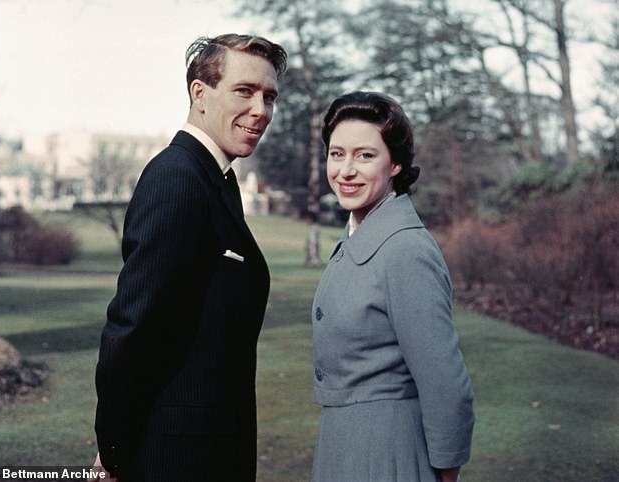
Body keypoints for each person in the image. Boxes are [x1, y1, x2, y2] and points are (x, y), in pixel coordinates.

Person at [91, 34, 287, 482]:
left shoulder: (214, 179)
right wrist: (114, 449)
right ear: (200, 93)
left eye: (269, 96)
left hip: (208, 448)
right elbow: (133, 327)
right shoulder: (177, 179)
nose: (262, 110)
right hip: (174, 456)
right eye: (245, 91)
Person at [311, 91, 474, 482]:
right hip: (342, 447)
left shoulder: (405, 250)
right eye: (337, 154)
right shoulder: (356, 236)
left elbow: (446, 385)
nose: (346, 170)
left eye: (365, 156)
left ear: (396, 163)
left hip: (388, 455)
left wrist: (444, 474)